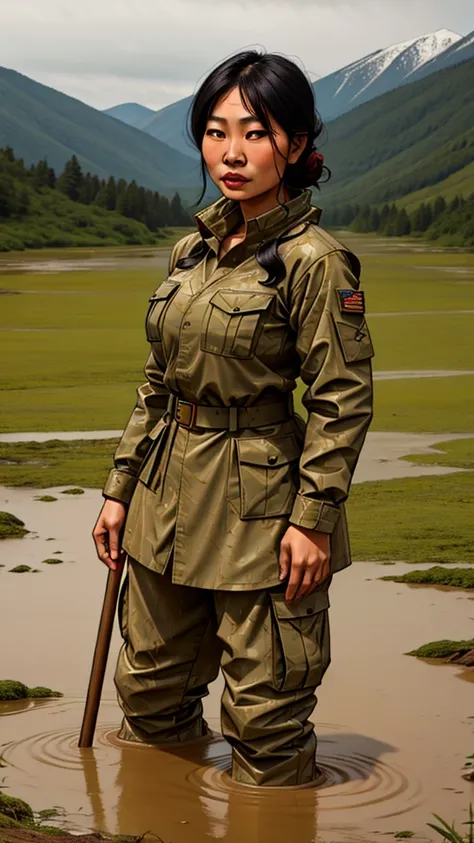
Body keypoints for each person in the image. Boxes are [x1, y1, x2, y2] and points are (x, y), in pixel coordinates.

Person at [92, 49, 374, 788]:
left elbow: (340, 399)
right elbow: (160, 381)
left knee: (267, 718)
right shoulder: (194, 251)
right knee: (149, 696)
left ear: (297, 142)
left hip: (261, 512)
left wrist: (313, 518)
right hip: (166, 502)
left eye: (255, 131)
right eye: (216, 132)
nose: (232, 152)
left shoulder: (316, 261)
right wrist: (120, 487)